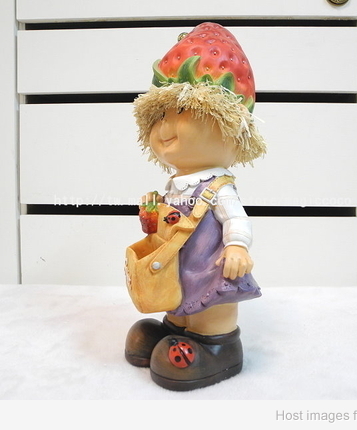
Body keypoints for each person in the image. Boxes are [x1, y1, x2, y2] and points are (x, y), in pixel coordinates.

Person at [125, 23, 266, 391]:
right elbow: (171, 225)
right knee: (178, 303)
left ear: (231, 128)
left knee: (210, 309)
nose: (164, 127)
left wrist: (237, 246)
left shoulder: (219, 187)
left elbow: (235, 218)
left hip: (210, 268)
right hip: (178, 268)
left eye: (182, 111)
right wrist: (152, 219)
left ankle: (216, 345)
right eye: (160, 115)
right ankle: (174, 330)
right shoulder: (175, 186)